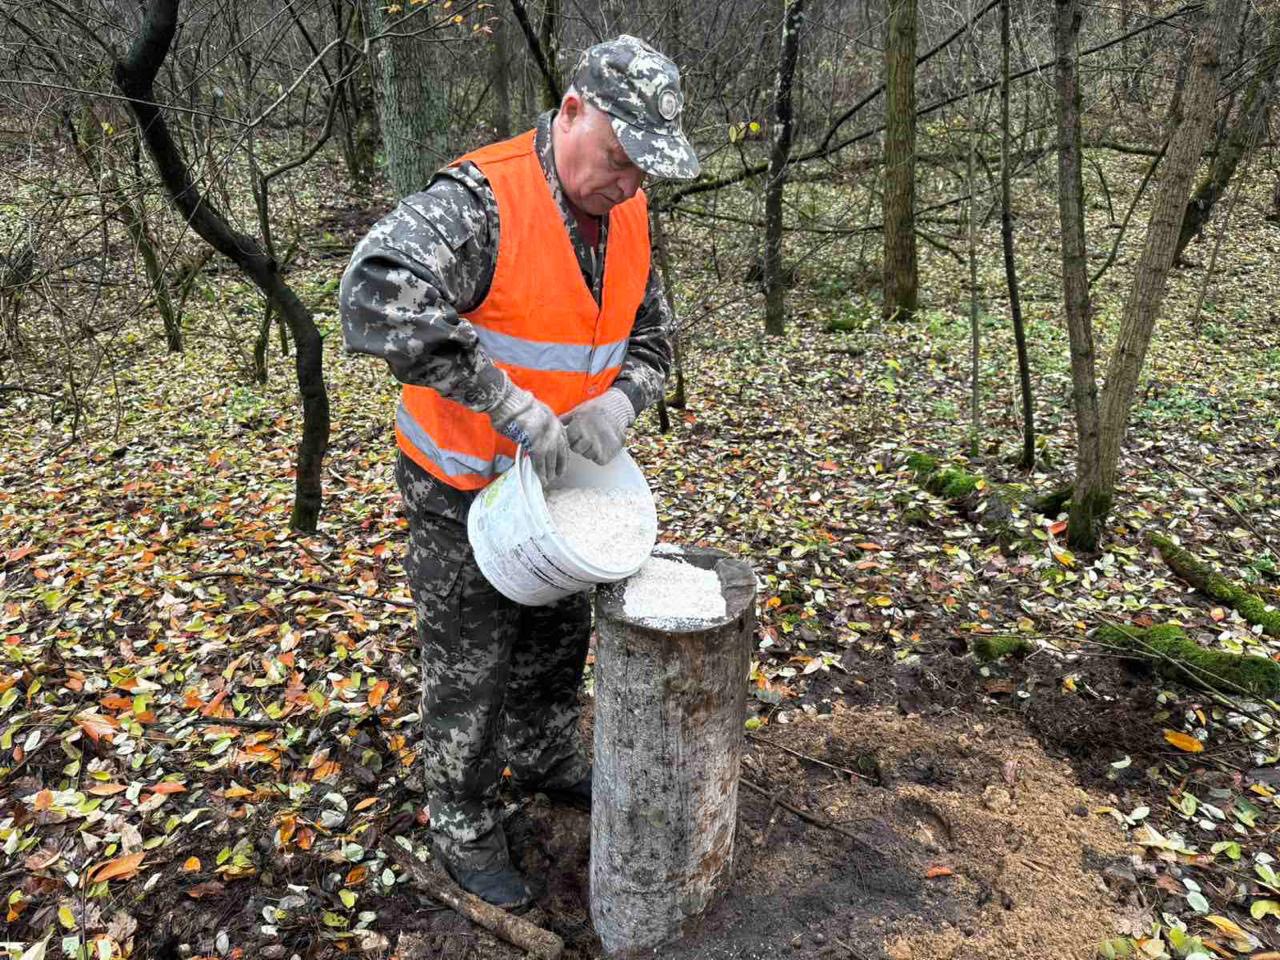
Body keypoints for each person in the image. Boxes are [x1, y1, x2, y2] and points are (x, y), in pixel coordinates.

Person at [339, 35, 699, 908]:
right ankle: (461, 821)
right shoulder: (484, 200)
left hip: (561, 494)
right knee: (470, 667)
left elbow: (653, 338)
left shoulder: (630, 215)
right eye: (617, 158)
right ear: (571, 109)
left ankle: (542, 758)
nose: (626, 182)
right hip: (462, 487)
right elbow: (372, 291)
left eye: (644, 171)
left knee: (551, 647)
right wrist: (506, 403)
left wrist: (622, 403)